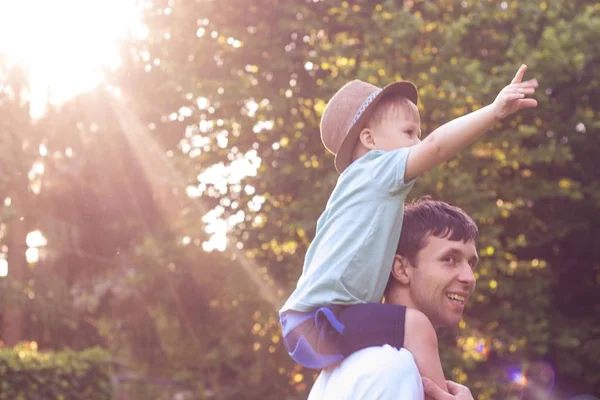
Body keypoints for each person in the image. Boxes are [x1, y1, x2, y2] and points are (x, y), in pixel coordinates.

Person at [280, 65, 538, 391]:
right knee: (416, 327)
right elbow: (437, 146)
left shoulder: (358, 193)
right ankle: (440, 395)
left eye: (418, 133)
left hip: (310, 322)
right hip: (320, 320)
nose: (417, 140)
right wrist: (494, 111)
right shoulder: (376, 170)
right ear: (369, 139)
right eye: (409, 133)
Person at [309, 197, 479, 400]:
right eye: (449, 259)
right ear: (401, 268)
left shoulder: (356, 364)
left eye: (471, 263)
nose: (469, 277)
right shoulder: (393, 369)